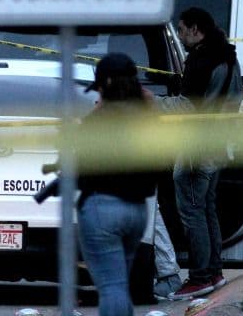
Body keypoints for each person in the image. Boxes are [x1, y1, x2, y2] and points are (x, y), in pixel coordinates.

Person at [77, 52, 161, 316]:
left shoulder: (97, 121)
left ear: (105, 85)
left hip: (102, 210)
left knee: (111, 287)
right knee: (119, 285)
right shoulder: (147, 117)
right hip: (137, 212)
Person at [168, 7, 243, 300]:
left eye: (183, 30)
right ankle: (214, 272)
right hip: (219, 144)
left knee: (191, 211)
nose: (181, 36)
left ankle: (199, 276)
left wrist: (152, 103)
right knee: (207, 207)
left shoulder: (201, 60)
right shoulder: (228, 55)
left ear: (195, 29)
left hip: (195, 148)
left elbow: (186, 106)